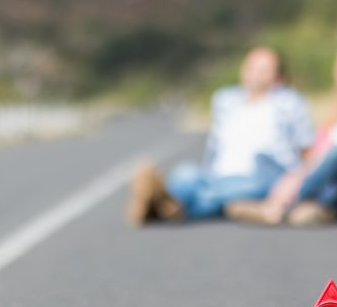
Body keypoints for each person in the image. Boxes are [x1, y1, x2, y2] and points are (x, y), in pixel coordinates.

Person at [127, 46, 315, 225]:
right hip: (219, 174)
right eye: (251, 67)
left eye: (264, 70)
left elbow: (306, 151)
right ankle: (170, 207)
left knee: (218, 194)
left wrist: (295, 180)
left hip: (261, 174)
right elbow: (213, 146)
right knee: (186, 173)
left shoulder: (288, 102)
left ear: (278, 78)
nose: (256, 74)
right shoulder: (225, 100)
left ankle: (163, 204)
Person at [226, 42, 337, 226]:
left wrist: (299, 178)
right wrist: (294, 176)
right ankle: (310, 209)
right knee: (263, 158)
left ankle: (282, 208)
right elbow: (316, 154)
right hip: (330, 189)